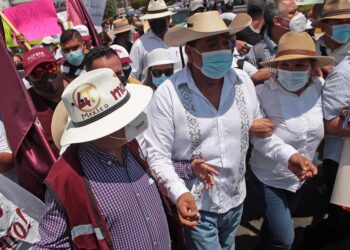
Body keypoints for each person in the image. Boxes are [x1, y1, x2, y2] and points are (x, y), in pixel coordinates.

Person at [143, 11, 309, 249]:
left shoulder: (242, 82)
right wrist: (180, 193)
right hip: (197, 205)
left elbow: (259, 135)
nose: (222, 50)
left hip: (235, 199)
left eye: (225, 42)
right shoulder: (168, 94)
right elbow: (157, 156)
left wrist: (289, 157)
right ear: (190, 52)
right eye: (211, 44)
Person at [33, 68, 171, 249]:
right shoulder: (66, 179)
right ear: (95, 130)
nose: (130, 120)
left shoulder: (130, 146)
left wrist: (188, 169)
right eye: (120, 117)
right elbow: (50, 245)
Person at [249, 31, 334, 250]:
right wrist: (292, 157)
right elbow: (260, 139)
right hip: (269, 178)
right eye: (285, 65)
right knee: (285, 239)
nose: (291, 71)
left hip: (301, 180)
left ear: (311, 67)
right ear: (276, 66)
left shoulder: (319, 88)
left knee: (273, 231)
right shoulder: (261, 93)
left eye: (299, 65)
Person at [23, 47, 69, 157]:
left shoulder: (80, 90)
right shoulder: (25, 108)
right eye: (37, 73)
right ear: (29, 80)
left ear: (58, 67)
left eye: (51, 67)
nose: (46, 75)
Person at [130, 0, 183, 81]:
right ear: (148, 21)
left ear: (168, 19)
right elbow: (132, 75)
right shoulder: (139, 45)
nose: (157, 23)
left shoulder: (179, 39)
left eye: (160, 19)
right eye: (154, 20)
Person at [246, 0, 306, 69]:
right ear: (277, 21)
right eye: (292, 12)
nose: (299, 14)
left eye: (298, 10)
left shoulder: (306, 43)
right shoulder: (256, 54)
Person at [313, 0, 350, 75]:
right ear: (323, 26)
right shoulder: (313, 49)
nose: (345, 25)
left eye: (349, 22)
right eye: (338, 22)